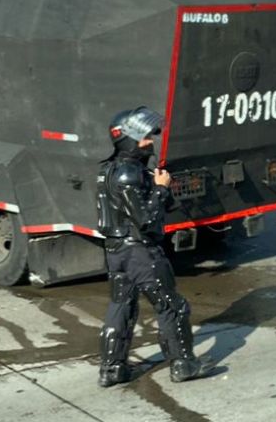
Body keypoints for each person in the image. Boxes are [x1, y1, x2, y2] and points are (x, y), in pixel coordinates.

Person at [98, 106, 204, 387]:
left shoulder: (108, 170)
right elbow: (145, 219)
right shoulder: (129, 174)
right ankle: (183, 364)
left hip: (115, 252)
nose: (150, 141)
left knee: (122, 306)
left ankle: (112, 370)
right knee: (173, 306)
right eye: (145, 137)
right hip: (140, 251)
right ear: (128, 138)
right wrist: (160, 188)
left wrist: (158, 187)